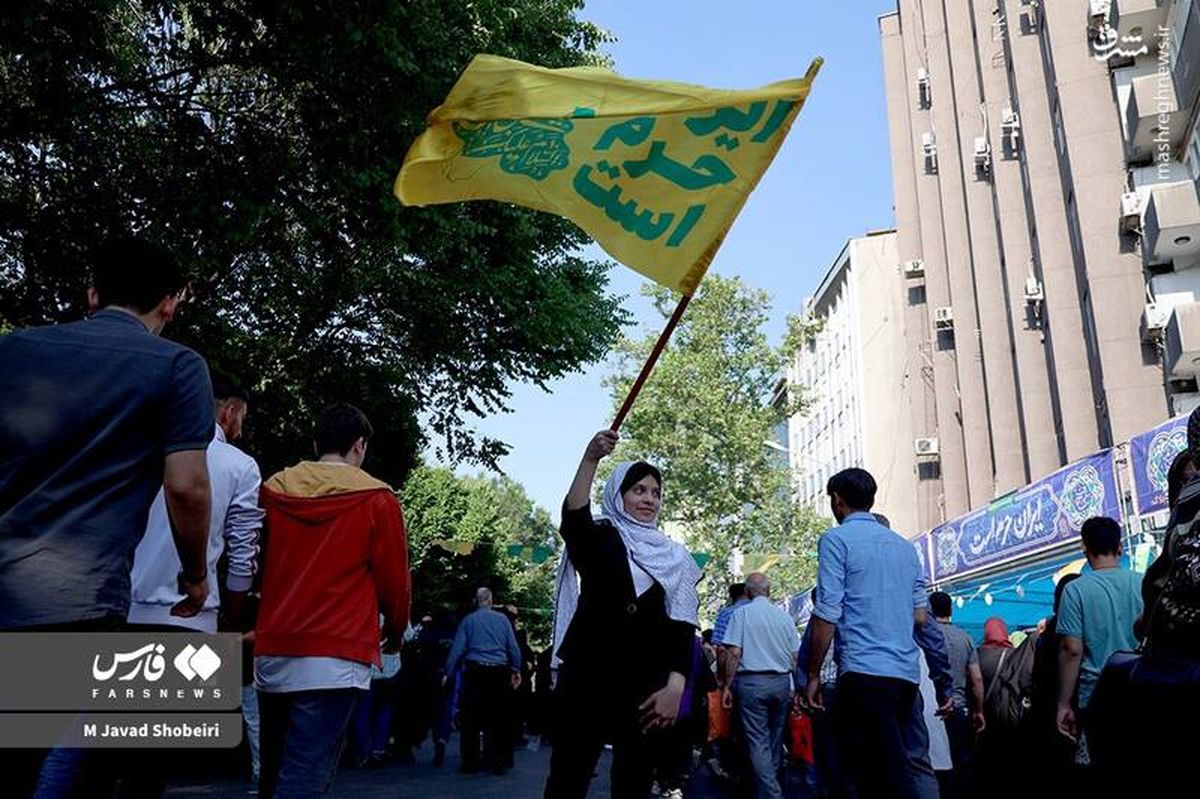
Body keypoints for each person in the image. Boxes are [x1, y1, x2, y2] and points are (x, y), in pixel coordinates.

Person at [0, 237, 214, 797]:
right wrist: (195, 574)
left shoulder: (13, 350)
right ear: (171, 303)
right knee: (35, 767)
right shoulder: (178, 366)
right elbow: (187, 486)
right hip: (70, 600)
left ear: (92, 295)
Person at [254, 403, 411, 799]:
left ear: (316, 442)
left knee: (273, 775)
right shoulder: (377, 499)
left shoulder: (274, 490)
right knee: (307, 775)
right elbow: (395, 583)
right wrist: (394, 632)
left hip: (273, 647)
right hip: (335, 655)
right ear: (359, 446)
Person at [544, 429, 701, 799]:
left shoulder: (676, 556)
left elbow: (682, 625)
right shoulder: (600, 536)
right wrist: (590, 459)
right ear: (619, 495)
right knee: (568, 777)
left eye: (656, 492)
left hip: (646, 687)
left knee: (634, 781)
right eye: (639, 490)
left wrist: (675, 686)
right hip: (587, 678)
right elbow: (574, 517)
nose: (649, 499)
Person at [802, 468, 938, 799]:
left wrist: (814, 674)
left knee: (870, 775)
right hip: (905, 676)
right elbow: (921, 616)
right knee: (896, 765)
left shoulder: (835, 540)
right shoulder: (904, 548)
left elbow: (828, 611)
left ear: (837, 501)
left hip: (863, 673)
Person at [1055, 516, 1142, 779]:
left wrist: (1063, 703)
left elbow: (1071, 649)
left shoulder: (1075, 591)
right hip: (1141, 690)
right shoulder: (1143, 583)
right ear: (1120, 547)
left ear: (1084, 548)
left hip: (1096, 698)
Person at [719, 572, 799, 799]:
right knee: (774, 739)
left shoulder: (741, 614)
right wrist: (799, 688)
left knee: (756, 741)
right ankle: (767, 790)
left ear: (747, 591)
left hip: (752, 682)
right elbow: (794, 658)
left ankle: (772, 793)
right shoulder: (784, 618)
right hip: (782, 683)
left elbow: (734, 653)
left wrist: (727, 685)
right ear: (769, 590)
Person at [443, 587, 523, 775]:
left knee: (471, 719)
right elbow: (513, 647)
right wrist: (516, 668)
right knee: (498, 719)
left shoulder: (468, 621)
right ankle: (497, 760)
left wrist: (448, 670)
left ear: (475, 600)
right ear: (491, 599)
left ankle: (469, 762)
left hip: (475, 672)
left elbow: (457, 649)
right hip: (498, 673)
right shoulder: (503, 620)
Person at [927, 591, 985, 799]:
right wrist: (979, 710)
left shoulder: (923, 637)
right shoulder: (965, 638)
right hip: (960, 709)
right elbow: (977, 679)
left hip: (932, 712)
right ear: (950, 610)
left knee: (936, 769)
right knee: (963, 764)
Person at [1029, 573, 1080, 796]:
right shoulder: (1075, 632)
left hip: (1048, 712)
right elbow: (1072, 652)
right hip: (1073, 708)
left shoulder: (1046, 636)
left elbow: (1038, 675)